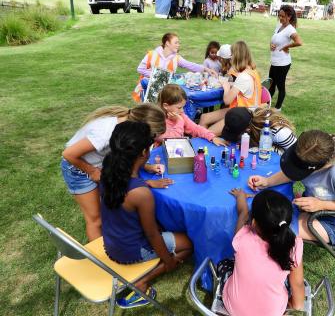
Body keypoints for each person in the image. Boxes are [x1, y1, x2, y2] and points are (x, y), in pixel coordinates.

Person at [100, 121, 192, 309]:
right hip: (130, 251)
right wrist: (168, 261)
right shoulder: (141, 194)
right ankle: (142, 282)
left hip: (110, 243)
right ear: (144, 153)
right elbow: (151, 235)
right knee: (188, 245)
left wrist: (148, 183)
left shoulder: (108, 168)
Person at [248, 130, 335, 245]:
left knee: (272, 228)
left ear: (321, 166)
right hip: (313, 209)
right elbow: (294, 171)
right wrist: (267, 181)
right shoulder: (313, 147)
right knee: (266, 216)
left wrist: (322, 205)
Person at [61, 104, 168, 241]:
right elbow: (68, 154)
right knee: (95, 219)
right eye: (152, 136)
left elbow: (127, 155)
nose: (151, 141)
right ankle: (101, 260)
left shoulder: (125, 127)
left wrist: (146, 167)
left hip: (99, 166)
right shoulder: (105, 133)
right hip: (77, 169)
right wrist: (92, 171)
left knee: (108, 210)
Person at [220, 188, 305, 315]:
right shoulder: (294, 245)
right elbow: (297, 284)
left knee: (225, 263)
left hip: (234, 308)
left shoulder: (242, 235)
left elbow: (243, 213)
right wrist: (295, 305)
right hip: (272, 312)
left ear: (253, 223)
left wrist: (240, 197)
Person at [199, 41, 262, 136]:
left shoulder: (243, 77)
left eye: (232, 55)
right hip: (240, 110)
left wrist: (226, 86)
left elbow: (227, 101)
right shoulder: (251, 71)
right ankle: (199, 142)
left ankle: (202, 143)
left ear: (236, 57)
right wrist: (231, 84)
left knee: (208, 133)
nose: (230, 58)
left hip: (244, 115)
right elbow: (243, 88)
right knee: (204, 117)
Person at [132, 32, 217, 103]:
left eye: (179, 43)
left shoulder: (176, 58)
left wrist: (207, 69)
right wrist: (157, 75)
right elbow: (140, 69)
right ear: (167, 43)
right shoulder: (152, 54)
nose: (178, 45)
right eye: (176, 42)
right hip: (148, 89)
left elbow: (190, 65)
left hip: (165, 91)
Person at [158, 84, 227, 146]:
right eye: (179, 107)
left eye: (183, 107)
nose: (182, 110)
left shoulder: (180, 115)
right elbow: (172, 141)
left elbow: (195, 128)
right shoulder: (157, 120)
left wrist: (212, 137)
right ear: (166, 106)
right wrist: (179, 121)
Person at [269, 5, 303, 111]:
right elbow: (273, 39)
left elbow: (299, 42)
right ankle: (267, 105)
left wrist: (287, 46)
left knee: (280, 86)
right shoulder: (279, 25)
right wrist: (271, 45)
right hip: (274, 61)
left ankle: (278, 108)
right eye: (279, 15)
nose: (280, 18)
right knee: (271, 84)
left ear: (289, 16)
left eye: (283, 16)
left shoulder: (290, 30)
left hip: (283, 63)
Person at [221, 106, 297, 153]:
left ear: (247, 130)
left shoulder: (280, 132)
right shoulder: (246, 115)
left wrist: (269, 149)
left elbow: (296, 154)